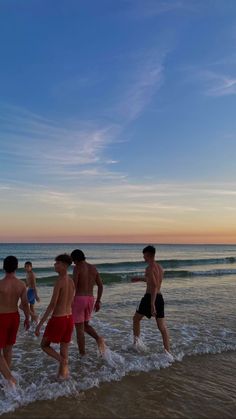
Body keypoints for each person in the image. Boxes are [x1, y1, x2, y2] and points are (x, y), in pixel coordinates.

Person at [35, 254, 75, 380]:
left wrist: (40, 324)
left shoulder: (59, 281)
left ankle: (62, 361)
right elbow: (71, 302)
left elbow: (52, 304)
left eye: (57, 263)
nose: (54, 265)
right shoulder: (71, 281)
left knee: (44, 345)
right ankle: (62, 377)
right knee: (64, 350)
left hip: (59, 319)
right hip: (69, 319)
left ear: (63, 265)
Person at [131, 245, 173, 358]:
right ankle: (168, 353)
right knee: (162, 327)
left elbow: (153, 286)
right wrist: (139, 279)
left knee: (136, 319)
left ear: (148, 255)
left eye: (144, 255)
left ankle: (136, 345)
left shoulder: (149, 268)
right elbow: (154, 282)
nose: (143, 257)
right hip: (160, 298)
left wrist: (152, 304)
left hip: (150, 298)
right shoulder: (159, 267)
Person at [0, 256, 30, 387]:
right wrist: (28, 318)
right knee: (8, 349)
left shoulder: (0, 284)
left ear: (3, 267)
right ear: (17, 267)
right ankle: (5, 380)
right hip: (14, 317)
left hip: (1, 317)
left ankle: (10, 378)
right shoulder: (21, 284)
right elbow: (25, 304)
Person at [71, 249, 106, 357]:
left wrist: (69, 301)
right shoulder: (93, 268)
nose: (73, 263)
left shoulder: (77, 268)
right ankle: (98, 338)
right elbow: (100, 285)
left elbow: (74, 286)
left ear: (76, 259)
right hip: (91, 299)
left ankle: (82, 354)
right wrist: (98, 300)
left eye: (73, 260)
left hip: (79, 299)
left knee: (79, 329)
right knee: (85, 325)